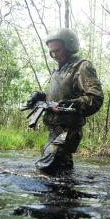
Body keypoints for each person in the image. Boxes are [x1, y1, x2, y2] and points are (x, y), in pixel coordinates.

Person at [27, 28, 103, 175]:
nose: (54, 55)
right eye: (51, 52)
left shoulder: (82, 66)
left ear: (69, 47)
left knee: (43, 171)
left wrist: (68, 105)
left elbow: (96, 98)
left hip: (68, 132)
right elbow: (56, 98)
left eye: (58, 51)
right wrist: (40, 97)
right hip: (54, 131)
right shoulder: (58, 70)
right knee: (63, 175)